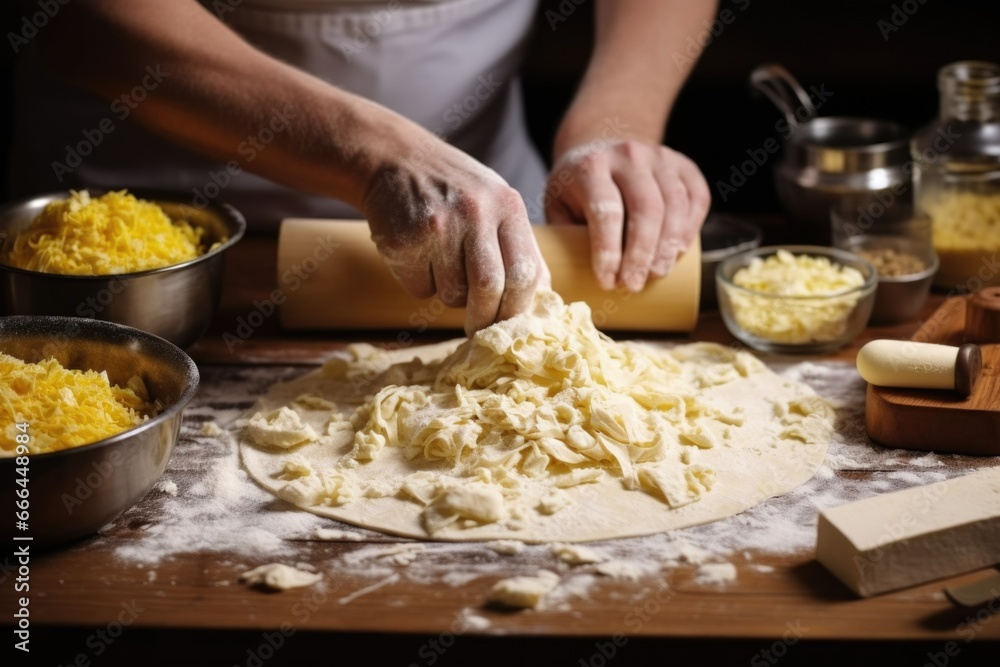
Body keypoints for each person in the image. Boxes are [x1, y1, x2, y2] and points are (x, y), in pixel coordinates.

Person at [11, 0, 713, 335]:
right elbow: (82, 23)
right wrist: (371, 152)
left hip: (492, 217)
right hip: (159, 243)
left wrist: (612, 122)